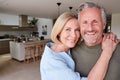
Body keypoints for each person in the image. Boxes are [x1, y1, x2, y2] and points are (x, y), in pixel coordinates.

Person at [40, 12, 118, 80]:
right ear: (59, 32)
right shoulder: (52, 61)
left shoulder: (65, 48)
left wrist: (105, 36)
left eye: (77, 30)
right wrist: (107, 51)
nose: (74, 35)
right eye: (68, 29)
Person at [71, 2, 120, 80]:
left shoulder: (117, 47)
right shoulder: (70, 52)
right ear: (79, 25)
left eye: (95, 22)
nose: (90, 28)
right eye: (85, 22)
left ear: (104, 24)